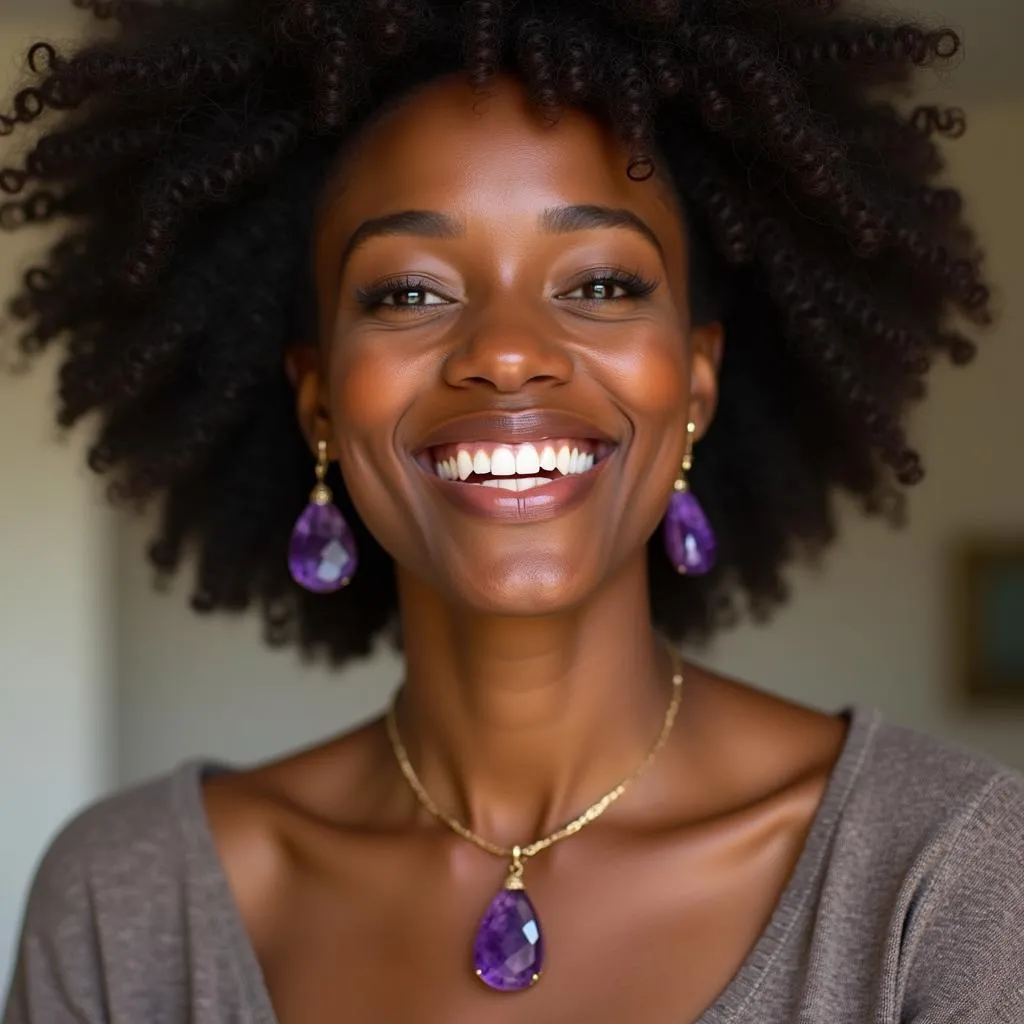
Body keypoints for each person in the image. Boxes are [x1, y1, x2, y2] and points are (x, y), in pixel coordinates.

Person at [2, 0, 1022, 1020]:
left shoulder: (940, 875)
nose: (504, 350)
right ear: (319, 401)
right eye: (407, 293)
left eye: (602, 281)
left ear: (696, 385)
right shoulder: (125, 899)